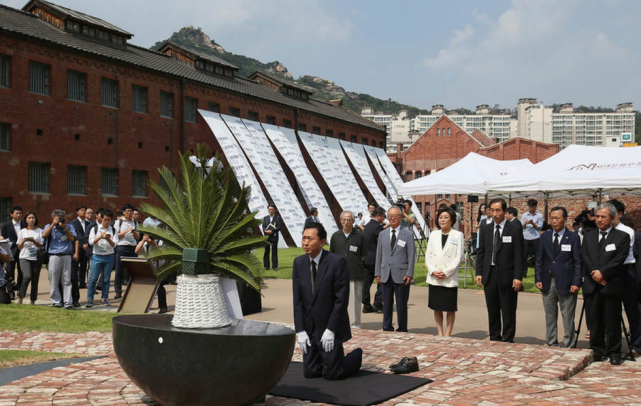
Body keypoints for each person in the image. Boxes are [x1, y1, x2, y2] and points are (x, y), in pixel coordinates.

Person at [293, 223, 362, 380]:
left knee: (332, 374)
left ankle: (356, 356)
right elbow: (297, 300)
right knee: (311, 373)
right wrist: (300, 330)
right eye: (303, 238)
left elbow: (341, 300)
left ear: (322, 241)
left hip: (330, 328)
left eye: (310, 239)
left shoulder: (336, 262)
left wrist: (331, 329)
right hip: (310, 328)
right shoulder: (299, 263)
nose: (305, 243)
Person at [580, 203, 630, 365]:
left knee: (612, 320)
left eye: (603, 217)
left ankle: (614, 351)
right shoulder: (588, 235)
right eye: (597, 216)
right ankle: (597, 350)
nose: (599, 220)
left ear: (612, 217)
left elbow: (619, 259)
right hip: (592, 284)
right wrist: (595, 273)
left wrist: (603, 273)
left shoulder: (621, 237)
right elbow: (585, 256)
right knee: (594, 319)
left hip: (611, 284)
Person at [475, 198, 524, 342]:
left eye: (498, 210)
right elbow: (481, 252)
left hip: (507, 275)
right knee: (493, 310)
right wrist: (479, 272)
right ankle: (494, 337)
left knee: (508, 310)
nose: (495, 214)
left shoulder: (514, 228)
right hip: (489, 274)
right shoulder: (485, 228)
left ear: (505, 211)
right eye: (492, 210)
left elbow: (519, 255)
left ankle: (508, 338)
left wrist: (518, 276)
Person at [534, 207, 582, 347]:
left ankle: (569, 344)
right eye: (552, 218)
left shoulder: (573, 237)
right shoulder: (545, 236)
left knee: (567, 316)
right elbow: (539, 259)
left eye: (557, 218)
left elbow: (578, 261)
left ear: (565, 219)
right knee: (550, 315)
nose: (554, 221)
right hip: (547, 281)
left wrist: (576, 282)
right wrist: (538, 278)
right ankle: (551, 342)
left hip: (566, 282)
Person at [607, 199, 641, 356]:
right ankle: (612, 346)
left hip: (627, 272)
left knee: (632, 311)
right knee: (610, 311)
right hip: (609, 273)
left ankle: (636, 346)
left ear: (619, 214)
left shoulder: (630, 233)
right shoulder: (603, 232)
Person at [426, 206, 464, 336]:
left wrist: (446, 272)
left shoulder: (458, 235)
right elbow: (428, 255)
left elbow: (458, 257)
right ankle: (440, 333)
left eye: (446, 217)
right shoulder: (433, 234)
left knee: (450, 308)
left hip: (449, 277)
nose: (443, 220)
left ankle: (448, 334)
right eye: (440, 217)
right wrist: (433, 271)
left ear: (452, 220)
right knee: (437, 307)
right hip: (435, 276)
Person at [375, 206, 415, 332]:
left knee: (401, 303)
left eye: (395, 216)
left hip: (402, 274)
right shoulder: (382, 234)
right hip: (385, 273)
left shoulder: (407, 234)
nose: (392, 218)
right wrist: (377, 272)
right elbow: (379, 255)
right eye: (390, 216)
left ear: (401, 217)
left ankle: (402, 327)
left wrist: (409, 273)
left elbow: (411, 255)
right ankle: (387, 326)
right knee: (386, 303)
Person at [329, 211, 365, 328]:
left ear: (353, 221)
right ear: (340, 221)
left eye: (349, 220)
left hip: (355, 273)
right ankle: (339, 323)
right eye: (344, 219)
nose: (346, 222)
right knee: (338, 301)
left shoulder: (359, 236)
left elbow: (363, 254)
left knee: (355, 302)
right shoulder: (335, 236)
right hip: (338, 275)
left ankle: (355, 325)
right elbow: (332, 255)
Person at [42, 209, 77, 309]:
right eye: (57, 217)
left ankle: (67, 302)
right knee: (54, 279)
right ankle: (56, 301)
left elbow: (72, 239)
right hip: (54, 255)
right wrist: (53, 224)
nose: (59, 219)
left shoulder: (69, 226)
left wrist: (65, 228)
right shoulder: (49, 226)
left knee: (66, 280)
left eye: (61, 217)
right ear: (53, 218)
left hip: (66, 255)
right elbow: (44, 235)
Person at [87, 209, 117, 307]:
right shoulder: (95, 229)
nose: (106, 221)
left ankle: (104, 298)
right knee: (93, 278)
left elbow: (114, 244)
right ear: (101, 218)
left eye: (108, 220)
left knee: (106, 279)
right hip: (97, 256)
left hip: (109, 256)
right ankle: (90, 299)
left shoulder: (113, 230)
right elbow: (91, 242)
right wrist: (100, 237)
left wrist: (108, 238)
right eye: (105, 219)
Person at [135, 233, 168, 314]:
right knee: (147, 287)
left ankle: (163, 307)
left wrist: (154, 245)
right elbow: (136, 251)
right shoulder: (144, 243)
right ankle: (146, 305)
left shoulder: (160, 242)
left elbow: (164, 253)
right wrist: (142, 241)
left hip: (159, 269)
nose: (149, 240)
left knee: (159, 287)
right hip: (148, 268)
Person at [16, 212, 44, 305]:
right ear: (26, 220)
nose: (32, 219)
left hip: (36, 257)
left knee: (35, 279)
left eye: (33, 217)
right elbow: (19, 247)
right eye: (29, 218)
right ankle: (21, 297)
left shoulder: (40, 231)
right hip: (24, 257)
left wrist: (34, 241)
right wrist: (24, 240)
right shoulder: (22, 231)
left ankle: (33, 300)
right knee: (27, 276)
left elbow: (41, 244)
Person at [113, 203, 140, 299]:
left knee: (132, 271)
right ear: (124, 212)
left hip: (132, 247)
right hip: (122, 247)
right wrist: (126, 231)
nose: (129, 213)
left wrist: (133, 231)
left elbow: (138, 237)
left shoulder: (135, 223)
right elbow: (115, 235)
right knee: (119, 270)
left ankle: (132, 291)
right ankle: (118, 291)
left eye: (131, 211)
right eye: (127, 211)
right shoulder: (118, 222)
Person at [362, 207, 385, 313]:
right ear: (379, 215)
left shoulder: (366, 226)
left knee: (366, 283)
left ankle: (366, 304)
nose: (384, 218)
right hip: (376, 260)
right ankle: (377, 303)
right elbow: (382, 244)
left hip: (366, 259)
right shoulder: (378, 228)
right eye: (384, 216)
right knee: (382, 282)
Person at [1, 205, 24, 300]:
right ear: (12, 214)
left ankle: (20, 289)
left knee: (21, 271)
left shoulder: (24, 225)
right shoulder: (6, 225)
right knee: (10, 271)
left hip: (22, 251)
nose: (18, 215)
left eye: (20, 213)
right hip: (10, 251)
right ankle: (10, 291)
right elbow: (3, 239)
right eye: (16, 213)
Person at [70, 205, 89, 300]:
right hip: (77, 248)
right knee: (76, 265)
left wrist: (87, 244)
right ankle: (76, 282)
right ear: (77, 212)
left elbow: (88, 234)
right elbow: (75, 236)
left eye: (85, 211)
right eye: (81, 210)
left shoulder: (88, 223)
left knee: (84, 266)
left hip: (86, 248)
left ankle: (82, 282)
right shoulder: (73, 223)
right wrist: (81, 245)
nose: (83, 212)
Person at [521, 199, 544, 276]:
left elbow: (540, 227)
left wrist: (533, 223)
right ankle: (524, 272)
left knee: (537, 256)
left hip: (535, 237)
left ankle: (537, 272)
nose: (531, 208)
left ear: (535, 207)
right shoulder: (524, 215)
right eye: (529, 206)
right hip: (526, 237)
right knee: (524, 256)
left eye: (532, 207)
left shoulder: (539, 216)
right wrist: (525, 223)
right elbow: (522, 226)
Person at [262, 204, 282, 271]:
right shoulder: (265, 218)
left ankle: (274, 266)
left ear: (275, 210)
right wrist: (265, 231)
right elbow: (263, 226)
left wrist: (272, 231)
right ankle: (266, 266)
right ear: (268, 210)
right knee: (266, 252)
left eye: (272, 209)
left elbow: (279, 227)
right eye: (269, 209)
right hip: (267, 237)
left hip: (274, 237)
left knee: (274, 252)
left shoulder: (277, 218)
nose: (271, 211)